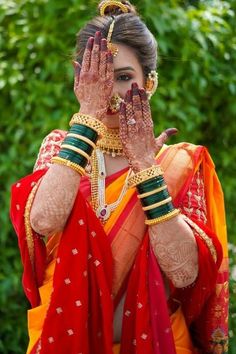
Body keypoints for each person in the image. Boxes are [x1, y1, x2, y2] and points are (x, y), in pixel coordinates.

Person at [10, 1, 229, 353]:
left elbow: (186, 273)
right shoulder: (60, 148)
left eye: (124, 78)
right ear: (80, 81)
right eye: (99, 78)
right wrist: (87, 120)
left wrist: (145, 166)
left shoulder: (179, 163)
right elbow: (44, 220)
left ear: (150, 81)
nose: (110, 93)